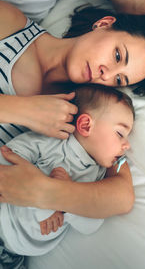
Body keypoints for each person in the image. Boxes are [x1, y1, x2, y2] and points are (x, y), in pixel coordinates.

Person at [0, 0, 145, 215]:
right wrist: (21, 110)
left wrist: (45, 192)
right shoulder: (8, 24)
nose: (106, 73)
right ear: (103, 24)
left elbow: (122, 197)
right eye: (117, 55)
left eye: (119, 79)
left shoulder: (85, 111)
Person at [0, 84, 134, 258]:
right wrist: (44, 201)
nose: (127, 145)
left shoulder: (99, 177)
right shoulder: (53, 141)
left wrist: (66, 206)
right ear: (86, 125)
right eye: (120, 133)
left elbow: (91, 226)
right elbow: (9, 155)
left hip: (13, 255)